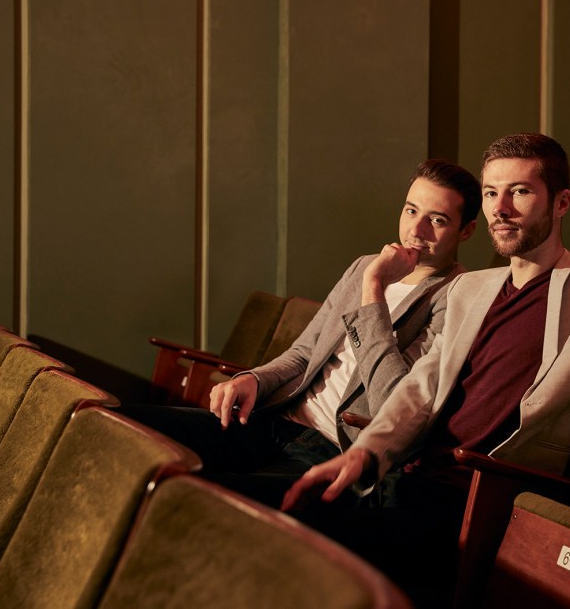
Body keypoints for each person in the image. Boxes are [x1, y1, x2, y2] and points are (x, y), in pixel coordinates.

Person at [279, 133, 570, 607]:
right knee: (276, 516)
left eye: (520, 192)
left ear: (561, 202)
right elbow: (422, 387)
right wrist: (365, 454)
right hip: (401, 477)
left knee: (301, 543)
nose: (500, 208)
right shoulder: (471, 289)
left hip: (475, 500)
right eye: (490, 193)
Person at [119, 159, 481, 505]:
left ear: (466, 230)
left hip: (332, 448)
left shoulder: (453, 299)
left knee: (195, 495)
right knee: (122, 425)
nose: (416, 231)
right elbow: (304, 353)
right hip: (277, 420)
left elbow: (393, 401)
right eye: (410, 210)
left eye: (437, 220)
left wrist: (374, 289)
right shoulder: (364, 266)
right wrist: (254, 380)